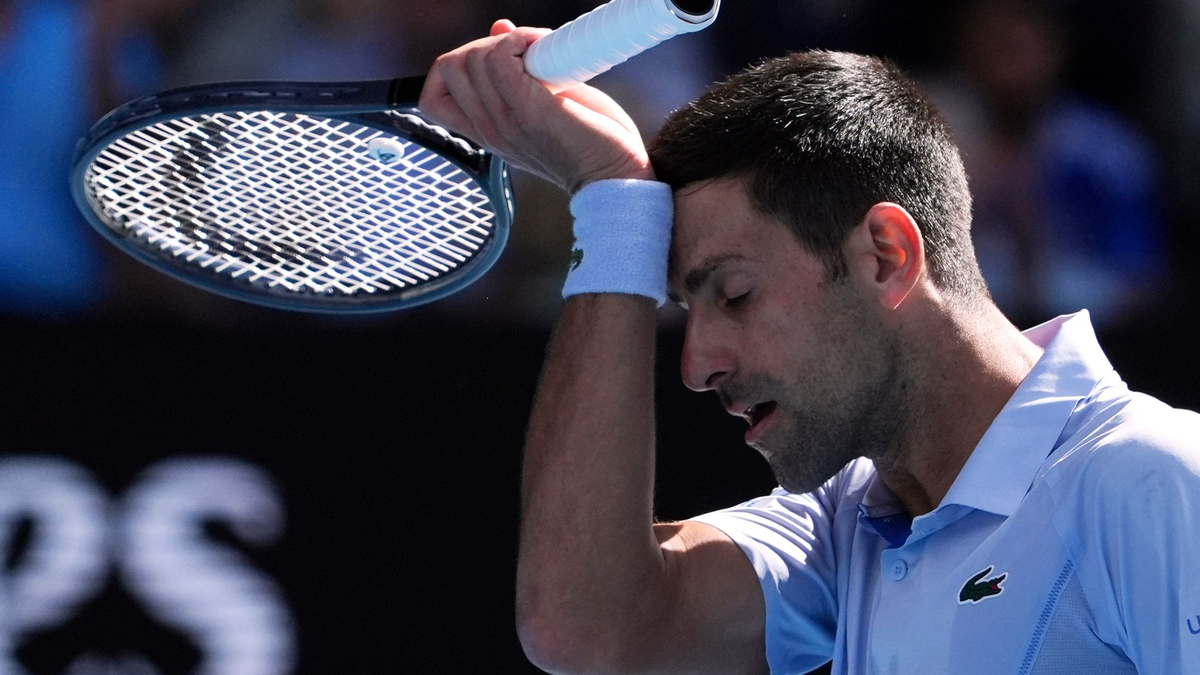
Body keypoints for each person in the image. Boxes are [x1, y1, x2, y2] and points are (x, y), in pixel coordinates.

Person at [420, 20, 1200, 675]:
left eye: (733, 294)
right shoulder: (843, 525)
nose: (696, 365)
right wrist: (612, 204)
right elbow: (583, 627)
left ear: (886, 255)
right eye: (686, 309)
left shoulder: (1153, 477)